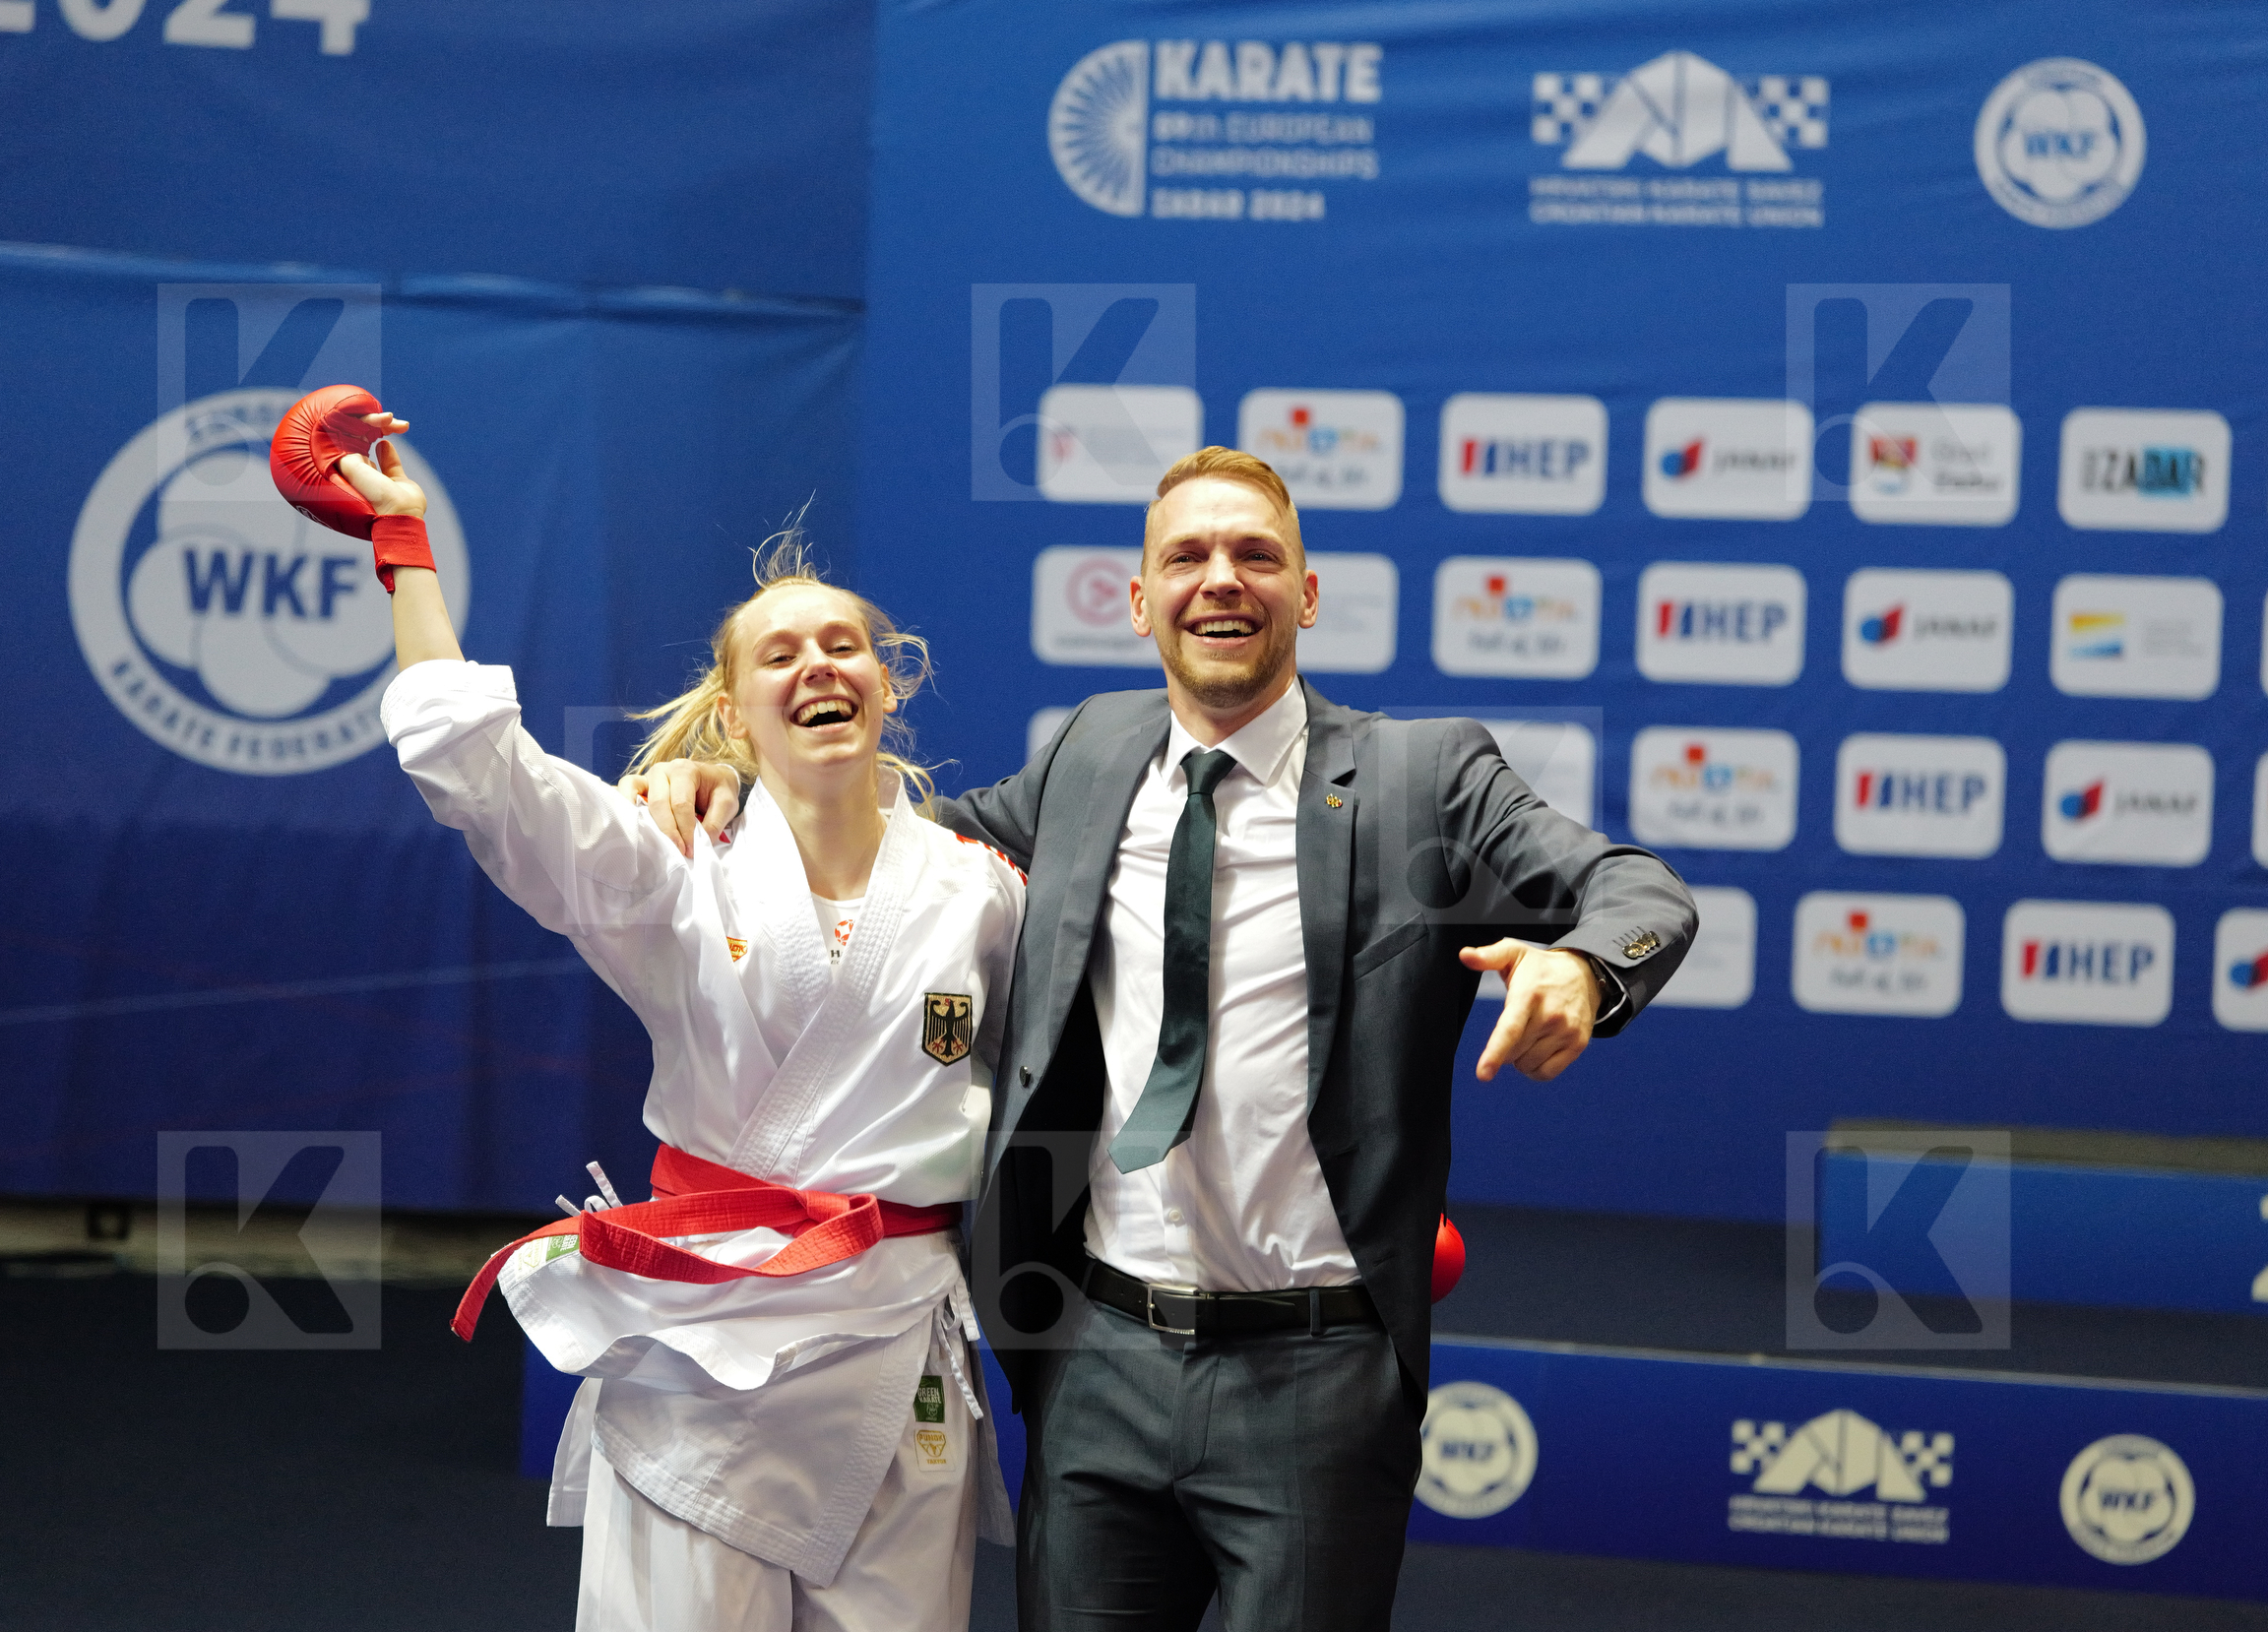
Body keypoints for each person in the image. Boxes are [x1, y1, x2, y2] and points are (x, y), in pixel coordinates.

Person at [628, 446, 1698, 1630]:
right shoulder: (1092, 753)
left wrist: (1583, 967)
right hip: (1097, 1360)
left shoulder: (1421, 778)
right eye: (1185, 556)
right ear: (1140, 601)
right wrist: (728, 783)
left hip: (1318, 1371)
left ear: (1307, 590)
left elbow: (1636, 889)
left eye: (1255, 554)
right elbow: (897, 851)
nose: (1220, 579)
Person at [320, 408, 1021, 1632]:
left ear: (887, 681)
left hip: (898, 1344)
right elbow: (482, 773)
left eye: (846, 644)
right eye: (781, 653)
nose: (819, 665)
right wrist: (404, 547)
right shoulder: (670, 861)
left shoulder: (982, 888)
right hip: (709, 1352)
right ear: (735, 709)